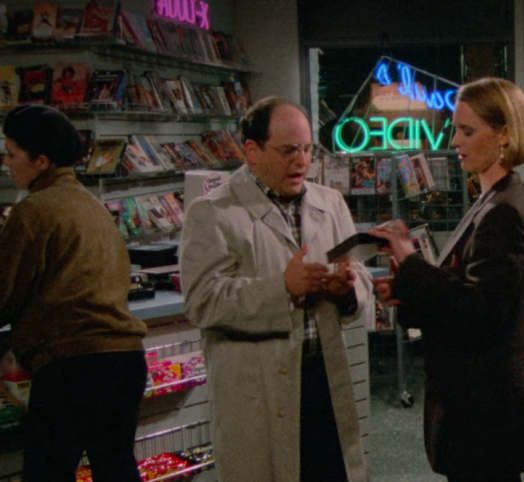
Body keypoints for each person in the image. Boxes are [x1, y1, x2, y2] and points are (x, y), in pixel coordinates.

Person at [179, 96, 372, 482]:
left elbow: (360, 275)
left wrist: (347, 287)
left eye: (306, 149)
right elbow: (203, 301)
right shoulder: (213, 213)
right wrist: (282, 287)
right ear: (252, 151)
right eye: (288, 151)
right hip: (260, 393)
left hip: (323, 382)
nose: (301, 161)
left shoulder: (330, 202)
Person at [370, 77, 524, 482]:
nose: (454, 141)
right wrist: (407, 292)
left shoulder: (503, 209)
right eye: (455, 129)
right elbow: (470, 290)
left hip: (484, 404)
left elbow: (479, 312)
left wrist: (410, 262)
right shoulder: (495, 199)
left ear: (503, 135)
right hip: (483, 401)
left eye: (467, 131)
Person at [0, 104, 148, 481]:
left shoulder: (33, 211)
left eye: (12, 154)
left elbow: (4, 292)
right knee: (116, 468)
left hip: (71, 364)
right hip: (124, 360)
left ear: (41, 161)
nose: (6, 163)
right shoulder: (91, 205)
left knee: (47, 472)